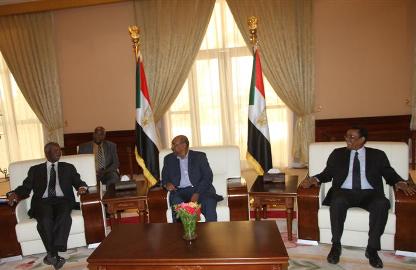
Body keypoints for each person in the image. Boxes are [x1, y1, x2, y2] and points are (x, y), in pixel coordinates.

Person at [302, 127, 416, 268]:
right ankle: (336, 245)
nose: (347, 139)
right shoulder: (337, 154)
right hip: (344, 192)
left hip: (370, 193)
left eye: (352, 137)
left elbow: (389, 173)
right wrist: (314, 179)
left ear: (362, 140)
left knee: (381, 203)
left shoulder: (378, 155)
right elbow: (327, 173)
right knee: (337, 201)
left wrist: (400, 182)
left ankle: (372, 249)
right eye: (346, 136)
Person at [6, 142, 88, 270]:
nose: (59, 152)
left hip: (63, 200)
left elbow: (78, 182)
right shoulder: (35, 170)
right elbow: (25, 188)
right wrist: (14, 193)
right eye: (55, 151)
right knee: (44, 219)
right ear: (47, 153)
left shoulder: (68, 167)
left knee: (64, 215)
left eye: (59, 150)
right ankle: (54, 254)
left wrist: (82, 188)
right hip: (42, 202)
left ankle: (52, 253)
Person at [162, 135, 221, 222]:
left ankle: (211, 232)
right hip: (180, 192)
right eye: (172, 145)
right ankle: (179, 234)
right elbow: (164, 178)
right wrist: (167, 184)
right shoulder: (169, 159)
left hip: (201, 190)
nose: (172, 147)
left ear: (184, 145)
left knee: (209, 203)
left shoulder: (199, 157)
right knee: (176, 203)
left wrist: (197, 193)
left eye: (175, 145)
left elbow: (208, 177)